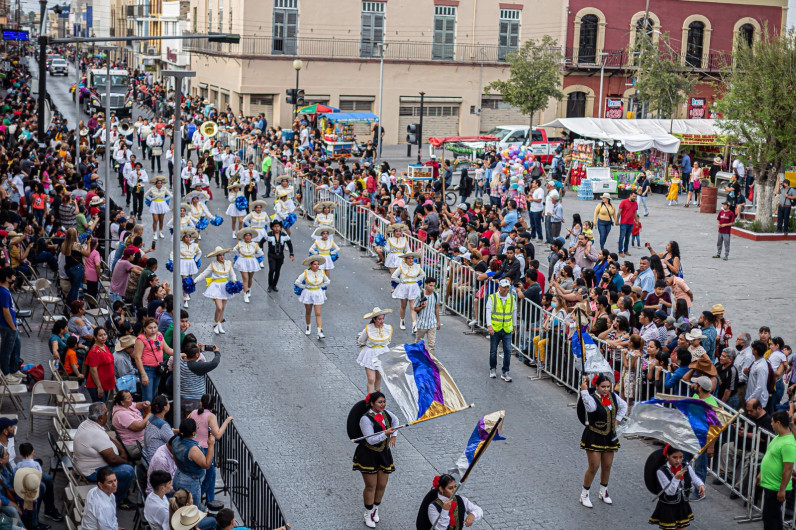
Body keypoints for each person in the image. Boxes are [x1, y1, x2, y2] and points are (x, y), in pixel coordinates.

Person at [579, 374, 628, 508]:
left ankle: (603, 491)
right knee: (594, 466)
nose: (606, 389)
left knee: (607, 465)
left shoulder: (613, 396)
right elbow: (590, 408)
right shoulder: (592, 398)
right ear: (596, 386)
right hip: (594, 434)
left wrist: (616, 420)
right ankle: (584, 494)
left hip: (609, 436)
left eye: (608, 387)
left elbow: (624, 406)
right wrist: (583, 391)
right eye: (603, 387)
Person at [73, 403, 135, 509]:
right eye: (107, 413)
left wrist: (122, 452)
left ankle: (119, 490)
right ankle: (119, 500)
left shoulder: (88, 423)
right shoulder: (95, 433)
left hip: (86, 465)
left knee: (124, 463)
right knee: (128, 471)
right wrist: (124, 459)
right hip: (92, 471)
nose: (108, 414)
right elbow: (112, 459)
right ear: (101, 418)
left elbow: (109, 438)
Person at [351, 392, 398, 529]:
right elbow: (370, 439)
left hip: (383, 454)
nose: (383, 404)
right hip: (368, 456)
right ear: (372, 403)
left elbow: (396, 422)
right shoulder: (365, 419)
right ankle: (368, 512)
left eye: (384, 401)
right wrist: (386, 434)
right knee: (371, 486)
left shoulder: (386, 414)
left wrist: (394, 435)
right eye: (379, 402)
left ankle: (376, 508)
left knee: (382, 485)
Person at [188, 394, 232, 505]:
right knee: (210, 475)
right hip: (205, 449)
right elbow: (217, 435)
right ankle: (198, 499)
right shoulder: (210, 416)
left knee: (211, 476)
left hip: (193, 446)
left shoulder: (193, 413)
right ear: (214, 405)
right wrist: (226, 421)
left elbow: (186, 424)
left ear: (201, 403)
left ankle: (210, 501)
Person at [648, 445, 705, 530]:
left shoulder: (685, 465)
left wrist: (701, 485)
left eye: (680, 457)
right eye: (674, 457)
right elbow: (670, 492)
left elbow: (694, 478)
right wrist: (676, 478)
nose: (678, 460)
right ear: (667, 456)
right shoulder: (661, 471)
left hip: (682, 504)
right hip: (668, 506)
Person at [758, 410, 796, 529]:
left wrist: (782, 490)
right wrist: (760, 474)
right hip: (771, 485)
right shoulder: (778, 437)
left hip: (776, 488)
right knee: (775, 515)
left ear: (778, 423)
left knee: (769, 518)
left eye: (772, 422)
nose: (771, 424)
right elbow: (769, 456)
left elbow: (788, 469)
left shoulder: (788, 444)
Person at [172, 418, 215, 509]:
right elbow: (207, 464)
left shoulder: (175, 440)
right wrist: (211, 445)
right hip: (190, 483)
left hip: (179, 475)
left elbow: (174, 457)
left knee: (180, 508)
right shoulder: (192, 449)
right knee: (193, 510)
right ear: (193, 433)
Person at [195, 246, 239, 335]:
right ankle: (216, 322)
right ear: (216, 256)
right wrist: (194, 281)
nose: (222, 257)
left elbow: (232, 274)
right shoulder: (213, 264)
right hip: (216, 287)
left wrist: (234, 281)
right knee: (219, 307)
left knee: (222, 307)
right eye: (219, 255)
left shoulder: (228, 263)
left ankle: (219, 325)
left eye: (223, 255)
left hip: (226, 287)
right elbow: (204, 273)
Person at [416, 474, 483, 530]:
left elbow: (478, 510)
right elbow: (440, 528)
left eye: (455, 487)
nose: (454, 490)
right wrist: (445, 510)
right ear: (441, 489)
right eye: (450, 488)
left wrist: (473, 515)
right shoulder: (433, 506)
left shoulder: (460, 499)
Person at [134, 317, 173, 402]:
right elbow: (137, 358)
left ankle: (151, 414)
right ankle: (144, 414)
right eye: (150, 328)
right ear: (144, 328)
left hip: (158, 368)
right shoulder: (140, 339)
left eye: (155, 327)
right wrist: (143, 374)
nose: (153, 330)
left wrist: (179, 353)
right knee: (148, 397)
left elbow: (167, 349)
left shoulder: (159, 335)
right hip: (147, 370)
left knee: (154, 394)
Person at [357, 307, 394, 393]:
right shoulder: (368, 329)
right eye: (379, 319)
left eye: (383, 319)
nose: (382, 321)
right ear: (374, 319)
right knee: (371, 379)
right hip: (370, 355)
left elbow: (388, 341)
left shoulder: (387, 328)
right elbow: (360, 340)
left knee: (378, 377)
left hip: (382, 354)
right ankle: (369, 401)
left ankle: (377, 398)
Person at [487, 278, 516, 382]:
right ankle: (493, 369)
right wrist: (489, 326)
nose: (506, 289)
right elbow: (488, 312)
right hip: (496, 328)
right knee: (493, 351)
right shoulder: (492, 298)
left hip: (507, 329)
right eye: (504, 287)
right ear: (499, 287)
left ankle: (505, 372)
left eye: (507, 287)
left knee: (508, 351)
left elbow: (513, 312)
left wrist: (514, 325)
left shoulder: (512, 298)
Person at [295, 256, 331, 339]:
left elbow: (327, 281)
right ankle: (308, 326)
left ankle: (320, 331)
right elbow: (297, 282)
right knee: (308, 311)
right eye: (315, 264)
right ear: (310, 265)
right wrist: (304, 287)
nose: (317, 266)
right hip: (308, 293)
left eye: (318, 264)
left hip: (318, 293)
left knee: (318, 313)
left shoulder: (321, 272)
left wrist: (321, 286)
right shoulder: (306, 273)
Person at [111, 389, 152, 460]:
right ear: (122, 402)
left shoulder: (126, 405)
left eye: (131, 396)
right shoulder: (121, 414)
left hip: (141, 440)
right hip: (135, 446)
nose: (132, 399)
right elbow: (139, 427)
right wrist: (150, 414)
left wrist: (143, 403)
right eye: (129, 398)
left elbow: (136, 405)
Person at [391, 252, 425, 332]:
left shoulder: (416, 266)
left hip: (413, 287)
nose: (411, 260)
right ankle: (402, 320)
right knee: (403, 305)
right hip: (404, 287)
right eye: (409, 258)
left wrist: (416, 279)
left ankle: (414, 325)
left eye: (412, 258)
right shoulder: (402, 266)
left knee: (413, 306)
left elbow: (423, 274)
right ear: (406, 259)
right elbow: (393, 276)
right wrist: (400, 281)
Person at [172, 229, 201, 308]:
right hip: (183, 263)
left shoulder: (194, 245)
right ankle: (185, 299)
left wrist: (195, 260)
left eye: (189, 237)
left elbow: (199, 252)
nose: (188, 239)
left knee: (190, 280)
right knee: (185, 281)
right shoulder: (180, 244)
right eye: (186, 237)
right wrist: (172, 261)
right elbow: (173, 252)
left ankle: (187, 293)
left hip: (191, 263)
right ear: (183, 238)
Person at [233, 228, 264, 303]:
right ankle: (245, 295)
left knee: (250, 277)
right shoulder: (240, 243)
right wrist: (239, 255)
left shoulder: (254, 244)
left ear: (251, 237)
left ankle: (249, 289)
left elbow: (260, 253)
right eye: (246, 236)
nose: (247, 237)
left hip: (251, 262)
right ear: (244, 237)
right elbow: (234, 250)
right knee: (245, 278)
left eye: (249, 236)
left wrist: (254, 257)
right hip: (242, 261)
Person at [262, 219, 294, 292]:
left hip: (280, 255)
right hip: (271, 255)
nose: (277, 228)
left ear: (280, 227)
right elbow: (261, 242)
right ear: (272, 227)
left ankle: (274, 285)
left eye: (278, 226)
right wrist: (260, 252)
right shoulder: (269, 235)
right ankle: (270, 285)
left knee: (277, 270)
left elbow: (289, 244)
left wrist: (291, 254)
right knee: (272, 270)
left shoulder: (284, 235)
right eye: (275, 226)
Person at [0, 268, 21, 376]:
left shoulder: (6, 291)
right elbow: (6, 312)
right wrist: (13, 326)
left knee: (17, 346)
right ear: (7, 278)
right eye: (13, 276)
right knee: (6, 350)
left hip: (12, 325)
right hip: (7, 326)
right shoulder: (3, 292)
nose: (14, 278)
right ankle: (6, 373)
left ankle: (14, 369)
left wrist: (15, 324)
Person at [85, 327, 115, 403]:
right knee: (100, 410)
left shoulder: (104, 346)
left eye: (105, 334)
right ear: (95, 337)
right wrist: (99, 386)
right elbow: (93, 370)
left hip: (105, 383)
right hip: (96, 385)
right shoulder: (95, 352)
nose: (103, 337)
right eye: (100, 335)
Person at [412, 278, 440, 357]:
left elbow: (436, 308)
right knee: (419, 343)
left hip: (432, 323)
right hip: (422, 324)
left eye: (434, 286)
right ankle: (418, 359)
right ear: (426, 285)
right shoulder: (419, 295)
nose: (432, 288)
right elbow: (415, 308)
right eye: (430, 285)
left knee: (432, 345)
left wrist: (438, 322)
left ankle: (431, 362)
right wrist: (421, 307)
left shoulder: (436, 295)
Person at [144, 395, 175, 462]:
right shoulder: (163, 425)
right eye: (168, 403)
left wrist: (177, 431)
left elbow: (163, 432)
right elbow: (174, 443)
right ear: (165, 408)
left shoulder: (151, 417)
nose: (169, 404)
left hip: (146, 457)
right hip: (155, 461)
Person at [617, 191, 638, 257]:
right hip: (624, 223)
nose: (634, 198)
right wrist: (617, 220)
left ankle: (626, 250)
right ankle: (620, 251)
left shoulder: (635, 203)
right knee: (622, 237)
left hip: (631, 223)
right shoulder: (624, 202)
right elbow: (619, 212)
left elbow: (635, 213)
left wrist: (636, 221)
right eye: (633, 196)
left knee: (627, 237)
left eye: (635, 197)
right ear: (630, 195)